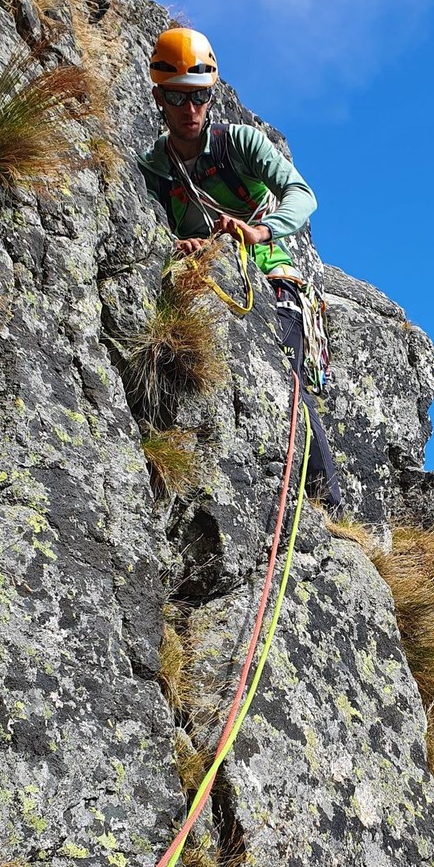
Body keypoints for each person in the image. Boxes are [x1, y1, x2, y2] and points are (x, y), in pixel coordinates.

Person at [138, 27, 342, 509]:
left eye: (200, 98)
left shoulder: (240, 144)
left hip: (272, 279)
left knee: (288, 381)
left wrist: (260, 231)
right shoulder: (155, 169)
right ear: (158, 98)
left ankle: (325, 503)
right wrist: (181, 243)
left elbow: (302, 195)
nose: (190, 111)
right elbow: (149, 232)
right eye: (177, 98)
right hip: (211, 288)